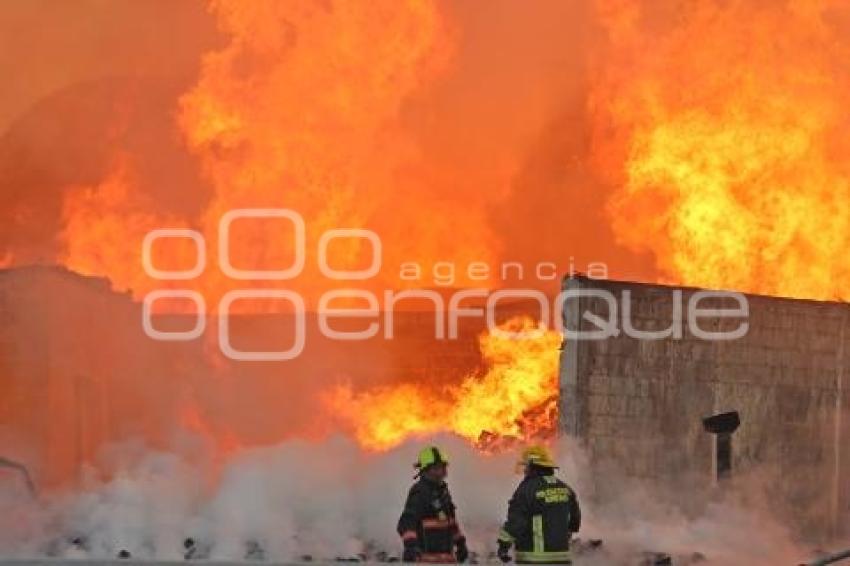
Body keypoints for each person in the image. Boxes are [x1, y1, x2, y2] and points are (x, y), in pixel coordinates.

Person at [497, 445, 581, 564]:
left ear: (533, 466)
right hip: (562, 557)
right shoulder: (565, 488)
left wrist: (503, 545)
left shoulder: (527, 489)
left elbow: (517, 522)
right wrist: (567, 532)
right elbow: (575, 519)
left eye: (526, 467)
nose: (525, 471)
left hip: (534, 559)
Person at [397, 446, 468, 563]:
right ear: (426, 470)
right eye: (437, 468)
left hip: (446, 560)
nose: (442, 472)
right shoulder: (420, 492)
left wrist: (460, 543)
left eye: (443, 467)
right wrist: (411, 546)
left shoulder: (443, 492)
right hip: (425, 560)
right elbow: (406, 523)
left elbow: (450, 522)